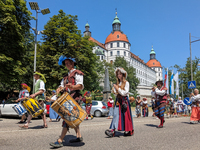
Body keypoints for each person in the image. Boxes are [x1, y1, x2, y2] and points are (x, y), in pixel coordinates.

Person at [50, 55, 84, 148]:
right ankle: (79, 136)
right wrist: (59, 88)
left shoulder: (78, 73)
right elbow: (62, 85)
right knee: (72, 117)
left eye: (68, 63)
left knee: (67, 117)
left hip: (74, 98)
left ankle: (60, 140)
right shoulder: (65, 76)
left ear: (73, 63)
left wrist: (72, 86)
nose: (67, 64)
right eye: (65, 63)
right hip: (67, 98)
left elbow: (81, 86)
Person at [105, 67, 134, 137]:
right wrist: (116, 90)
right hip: (118, 101)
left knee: (126, 116)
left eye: (120, 74)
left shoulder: (126, 83)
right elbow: (115, 93)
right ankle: (112, 131)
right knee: (115, 115)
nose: (119, 75)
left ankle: (130, 130)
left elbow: (124, 93)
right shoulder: (117, 83)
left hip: (124, 101)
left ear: (123, 75)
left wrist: (117, 89)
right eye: (118, 74)